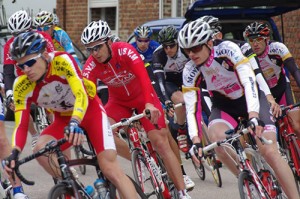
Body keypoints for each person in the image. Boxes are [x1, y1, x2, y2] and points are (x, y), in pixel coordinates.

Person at [3, 31, 139, 198]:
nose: (26, 70)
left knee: (110, 169)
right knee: (40, 147)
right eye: (20, 66)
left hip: (90, 110)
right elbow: (22, 124)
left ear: (45, 55)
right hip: (63, 119)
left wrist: (75, 121)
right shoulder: (21, 85)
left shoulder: (61, 61)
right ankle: (74, 185)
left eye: (30, 62)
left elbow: (80, 93)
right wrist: (15, 152)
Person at [178, 20, 299, 198]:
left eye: (195, 48)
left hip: (252, 99)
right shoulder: (190, 70)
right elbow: (192, 108)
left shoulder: (227, 49)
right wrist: (195, 140)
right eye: (187, 50)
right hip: (225, 106)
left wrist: (253, 115)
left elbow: (248, 80)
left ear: (209, 43)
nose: (191, 54)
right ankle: (250, 179)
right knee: (218, 143)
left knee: (270, 151)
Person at [81, 20, 191, 199]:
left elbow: (143, 77)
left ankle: (182, 192)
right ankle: (137, 154)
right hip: (118, 103)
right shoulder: (91, 64)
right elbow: (87, 96)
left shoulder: (125, 50)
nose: (94, 53)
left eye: (98, 47)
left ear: (109, 42)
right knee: (104, 131)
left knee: (161, 143)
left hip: (143, 96)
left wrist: (149, 103)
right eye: (90, 49)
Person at [199, 15, 282, 117]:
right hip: (223, 103)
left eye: (208, 38)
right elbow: (201, 90)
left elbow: (257, 73)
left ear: (219, 36)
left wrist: (269, 98)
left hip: (247, 96)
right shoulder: (198, 58)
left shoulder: (241, 48)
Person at [244, 21, 300, 133]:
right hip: (262, 94)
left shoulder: (278, 48)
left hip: (281, 88)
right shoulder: (246, 57)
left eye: (259, 39)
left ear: (267, 39)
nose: (255, 44)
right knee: (268, 128)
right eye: (251, 40)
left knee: (296, 125)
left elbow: (294, 70)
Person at [152, 25, 190, 153]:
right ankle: (182, 130)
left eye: (171, 46)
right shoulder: (158, 54)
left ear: (177, 43)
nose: (168, 49)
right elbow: (160, 81)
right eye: (165, 46)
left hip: (187, 78)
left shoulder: (186, 48)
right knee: (181, 100)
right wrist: (167, 101)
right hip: (170, 82)